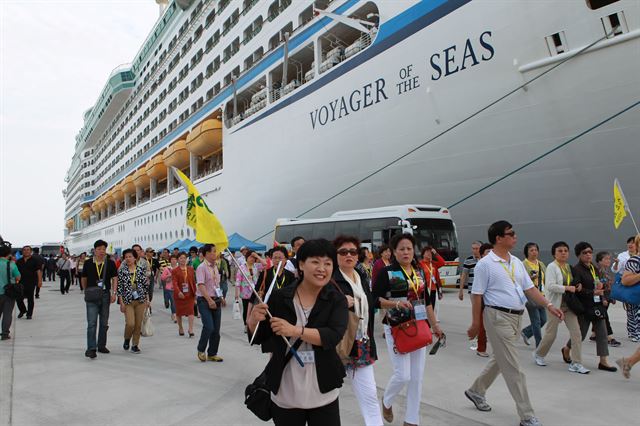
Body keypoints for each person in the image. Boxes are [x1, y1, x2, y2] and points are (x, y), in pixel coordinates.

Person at [465, 221, 563, 426]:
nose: (515, 236)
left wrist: (548, 305)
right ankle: (527, 416)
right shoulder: (485, 264)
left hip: (517, 317)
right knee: (513, 367)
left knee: (502, 359)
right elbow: (476, 295)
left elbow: (529, 289)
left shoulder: (516, 262)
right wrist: (475, 324)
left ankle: (476, 390)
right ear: (499, 238)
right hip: (497, 317)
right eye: (511, 233)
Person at [248, 239, 348, 425]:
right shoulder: (280, 297)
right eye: (315, 262)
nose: (322, 268)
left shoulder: (336, 299)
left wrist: (294, 330)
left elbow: (333, 336)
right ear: (301, 264)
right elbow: (259, 337)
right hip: (286, 390)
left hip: (323, 390)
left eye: (328, 263)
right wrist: (253, 320)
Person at [373, 233, 443, 426]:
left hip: (419, 326)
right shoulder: (386, 273)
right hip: (397, 328)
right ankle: (387, 401)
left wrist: (435, 324)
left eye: (409, 248)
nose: (406, 252)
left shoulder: (419, 270)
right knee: (403, 374)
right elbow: (374, 300)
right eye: (401, 249)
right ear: (394, 252)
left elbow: (427, 300)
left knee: (417, 376)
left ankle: (412, 420)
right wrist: (395, 304)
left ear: (414, 251)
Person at [333, 236, 383, 426]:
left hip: (362, 344)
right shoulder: (330, 279)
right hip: (337, 346)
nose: (348, 255)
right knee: (328, 397)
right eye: (343, 252)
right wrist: (339, 302)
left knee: (370, 395)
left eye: (353, 252)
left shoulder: (360, 276)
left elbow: (370, 304)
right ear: (335, 255)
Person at [533, 242, 588, 373]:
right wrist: (566, 288)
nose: (563, 253)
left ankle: (576, 363)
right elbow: (550, 286)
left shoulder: (569, 267)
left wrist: (577, 286)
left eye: (565, 250)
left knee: (576, 334)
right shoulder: (552, 267)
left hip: (569, 305)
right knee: (551, 334)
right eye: (560, 251)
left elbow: (573, 281)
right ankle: (539, 354)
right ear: (554, 253)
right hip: (555, 305)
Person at [563, 242, 617, 372]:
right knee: (581, 334)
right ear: (579, 255)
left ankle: (603, 361)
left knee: (602, 333)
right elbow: (576, 289)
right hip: (584, 306)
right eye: (584, 253)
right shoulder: (576, 269)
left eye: (590, 252)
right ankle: (566, 349)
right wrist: (592, 292)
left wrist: (602, 291)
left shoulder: (594, 268)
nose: (588, 255)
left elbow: (599, 283)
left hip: (597, 305)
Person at [81, 240, 118, 359]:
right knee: (91, 323)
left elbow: (114, 278)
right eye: (99, 249)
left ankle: (101, 345)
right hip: (92, 295)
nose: (102, 251)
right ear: (94, 250)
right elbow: (84, 278)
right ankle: (91, 348)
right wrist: (86, 291)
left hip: (105, 295)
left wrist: (114, 293)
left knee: (104, 322)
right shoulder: (88, 263)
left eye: (104, 249)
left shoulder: (110, 263)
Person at [195, 244, 225, 362]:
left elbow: (216, 284)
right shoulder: (201, 267)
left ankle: (212, 353)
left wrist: (221, 296)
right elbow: (201, 285)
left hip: (215, 299)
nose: (215, 253)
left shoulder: (215, 267)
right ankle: (201, 349)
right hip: (204, 300)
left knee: (216, 330)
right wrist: (209, 300)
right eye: (213, 251)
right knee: (208, 326)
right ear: (206, 253)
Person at [117, 248, 150, 354]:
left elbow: (145, 287)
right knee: (130, 323)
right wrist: (121, 303)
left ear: (135, 258)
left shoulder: (140, 270)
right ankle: (127, 338)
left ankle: (135, 345)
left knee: (138, 324)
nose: (128, 259)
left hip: (140, 300)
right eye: (126, 257)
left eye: (130, 256)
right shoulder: (122, 271)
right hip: (128, 301)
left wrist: (147, 300)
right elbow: (119, 288)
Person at [520, 243, 547, 348]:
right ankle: (539, 345)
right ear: (527, 252)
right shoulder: (523, 264)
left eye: (536, 250)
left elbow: (546, 278)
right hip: (529, 295)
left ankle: (526, 332)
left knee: (543, 319)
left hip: (541, 295)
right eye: (531, 250)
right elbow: (521, 281)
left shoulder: (541, 264)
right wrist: (530, 278)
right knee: (536, 320)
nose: (534, 252)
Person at [614, 236, 639, 342]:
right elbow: (625, 280)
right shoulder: (634, 260)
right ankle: (634, 333)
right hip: (635, 295)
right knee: (632, 314)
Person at [593, 251, 621, 346]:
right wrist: (603, 299)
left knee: (600, 315)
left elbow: (608, 285)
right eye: (606, 259)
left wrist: (612, 297)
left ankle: (594, 334)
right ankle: (609, 337)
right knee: (604, 316)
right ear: (599, 261)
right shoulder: (597, 271)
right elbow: (597, 287)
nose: (608, 261)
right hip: (601, 297)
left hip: (607, 297)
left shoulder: (606, 270)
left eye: (609, 259)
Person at [236, 250, 264, 326]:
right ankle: (246, 324)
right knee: (246, 309)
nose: (252, 259)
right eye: (250, 257)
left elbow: (265, 264)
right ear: (246, 257)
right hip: (245, 292)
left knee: (254, 309)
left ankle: (253, 323)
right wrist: (237, 294)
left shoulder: (256, 266)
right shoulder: (241, 267)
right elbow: (238, 281)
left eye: (253, 257)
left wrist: (257, 256)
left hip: (255, 291)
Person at [172, 252, 196, 337]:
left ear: (186, 259)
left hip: (189, 293)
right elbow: (174, 283)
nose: (183, 260)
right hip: (179, 294)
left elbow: (193, 281)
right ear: (178, 259)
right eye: (181, 258)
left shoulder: (190, 269)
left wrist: (195, 293)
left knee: (191, 311)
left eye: (184, 258)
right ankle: (181, 327)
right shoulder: (175, 270)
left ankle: (190, 329)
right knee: (179, 312)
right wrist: (178, 292)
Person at [16, 246, 42, 319]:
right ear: (22, 251)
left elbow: (39, 271)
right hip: (20, 282)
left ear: (31, 251)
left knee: (30, 298)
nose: (26, 251)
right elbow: (15, 272)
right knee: (18, 298)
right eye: (24, 250)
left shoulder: (35, 260)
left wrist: (40, 281)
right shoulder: (19, 261)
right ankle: (23, 310)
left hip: (31, 282)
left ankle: (29, 314)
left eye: (28, 250)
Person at [0, 243, 20, 340]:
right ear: (9, 254)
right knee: (7, 314)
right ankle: (4, 334)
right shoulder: (11, 264)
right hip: (8, 293)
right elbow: (18, 277)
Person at [161, 254, 177, 322]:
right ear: (170, 261)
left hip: (178, 287)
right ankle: (174, 314)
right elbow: (162, 277)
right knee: (173, 301)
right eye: (172, 259)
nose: (173, 261)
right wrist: (169, 276)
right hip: (170, 288)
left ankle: (176, 313)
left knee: (177, 302)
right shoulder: (167, 268)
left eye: (175, 259)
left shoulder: (179, 268)